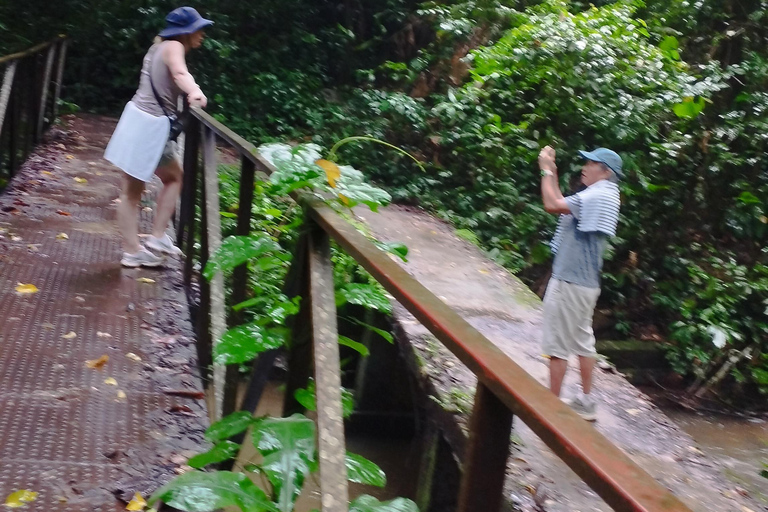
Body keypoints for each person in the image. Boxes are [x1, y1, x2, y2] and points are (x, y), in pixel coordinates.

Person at [104, 6, 212, 267]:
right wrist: (194, 91)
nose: (203, 35)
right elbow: (179, 73)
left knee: (139, 187)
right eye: (199, 30)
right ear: (186, 32)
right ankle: (144, 244)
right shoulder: (174, 46)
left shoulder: (157, 47)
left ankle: (147, 242)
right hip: (150, 125)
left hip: (137, 119)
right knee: (161, 182)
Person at [538, 146, 622, 421]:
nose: (584, 167)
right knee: (583, 340)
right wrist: (553, 172)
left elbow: (552, 205)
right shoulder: (602, 195)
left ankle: (550, 407)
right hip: (586, 284)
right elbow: (562, 201)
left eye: (591, 163)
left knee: (557, 345)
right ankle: (585, 401)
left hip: (570, 281)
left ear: (606, 172)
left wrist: (546, 169)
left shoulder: (597, 195)